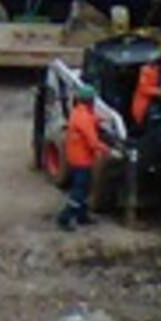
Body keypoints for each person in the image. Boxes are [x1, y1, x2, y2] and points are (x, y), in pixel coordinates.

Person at [58, 85, 112, 231]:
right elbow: (93, 142)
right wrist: (108, 150)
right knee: (80, 190)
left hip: (76, 157)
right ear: (90, 101)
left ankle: (82, 216)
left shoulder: (78, 112)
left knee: (84, 188)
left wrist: (102, 119)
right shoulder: (84, 118)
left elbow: (91, 119)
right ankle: (65, 217)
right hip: (81, 159)